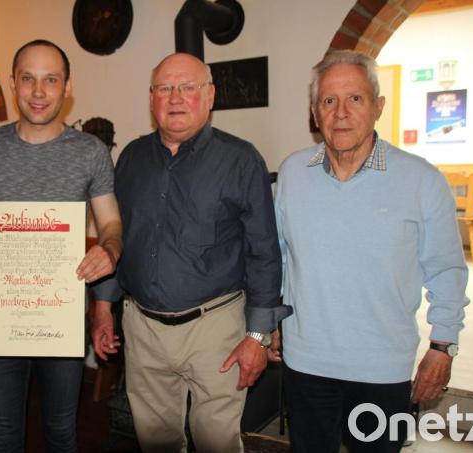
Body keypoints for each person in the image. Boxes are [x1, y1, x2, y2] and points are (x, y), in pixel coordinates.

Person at [90, 52, 288, 453]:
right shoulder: (130, 158)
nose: (175, 97)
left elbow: (264, 253)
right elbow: (116, 238)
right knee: (156, 441)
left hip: (216, 328)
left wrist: (258, 337)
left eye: (188, 87)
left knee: (217, 442)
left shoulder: (241, 160)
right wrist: (102, 308)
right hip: (143, 329)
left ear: (210, 96)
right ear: (151, 99)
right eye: (164, 88)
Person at [274, 50, 469, 452]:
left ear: (378, 106)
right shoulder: (292, 173)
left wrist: (442, 345)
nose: (341, 112)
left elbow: (447, 270)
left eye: (355, 99)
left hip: (382, 369)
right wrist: (275, 318)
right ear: (314, 112)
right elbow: (279, 256)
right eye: (329, 101)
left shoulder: (421, 180)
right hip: (306, 363)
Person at [0, 39, 122, 453]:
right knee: (2, 435)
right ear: (13, 83)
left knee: (62, 431)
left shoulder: (90, 151)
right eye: (28, 78)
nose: (38, 91)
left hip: (59, 315)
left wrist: (111, 249)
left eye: (51, 80)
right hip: (0, 313)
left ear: (67, 88)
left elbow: (111, 222)